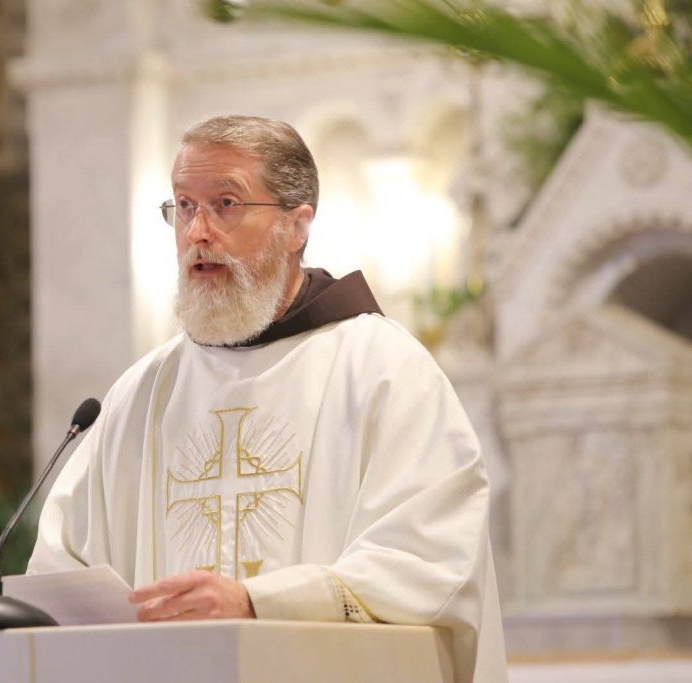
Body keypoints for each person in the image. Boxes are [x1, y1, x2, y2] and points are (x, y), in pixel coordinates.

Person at [28, 115, 507, 682]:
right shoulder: (142, 394)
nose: (198, 232)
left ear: (296, 226)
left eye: (226, 204)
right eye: (184, 206)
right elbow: (62, 572)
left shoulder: (384, 370)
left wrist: (258, 603)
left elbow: (427, 561)